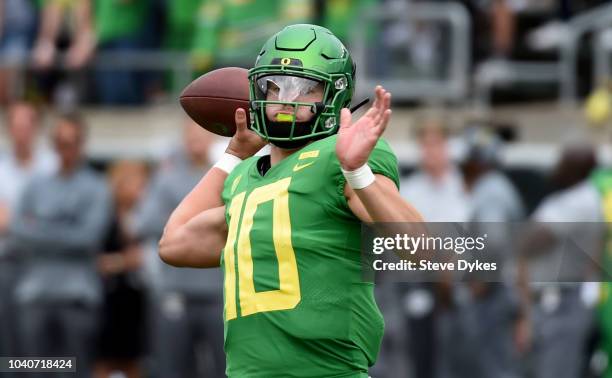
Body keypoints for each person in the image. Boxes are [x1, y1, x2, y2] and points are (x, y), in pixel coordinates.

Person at [159, 24, 423, 377]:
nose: (286, 98)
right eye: (275, 85)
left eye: (304, 88)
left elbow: (424, 249)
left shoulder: (339, 155)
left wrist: (357, 170)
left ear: (335, 96)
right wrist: (232, 157)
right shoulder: (245, 176)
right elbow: (174, 244)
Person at [8, 112, 111, 378]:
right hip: (34, 295)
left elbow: (89, 238)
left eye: (71, 142)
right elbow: (18, 231)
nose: (65, 149)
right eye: (59, 142)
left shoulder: (97, 186)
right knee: (33, 371)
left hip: (77, 297)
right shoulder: (35, 184)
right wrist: (67, 227)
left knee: (73, 370)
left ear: (82, 144)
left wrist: (40, 227)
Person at [133, 120, 225, 378]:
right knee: (171, 368)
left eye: (203, 135)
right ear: (183, 139)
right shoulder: (166, 177)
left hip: (219, 293)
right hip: (175, 292)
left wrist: (181, 221)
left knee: (224, 368)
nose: (197, 141)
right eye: (191, 135)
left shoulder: (227, 175)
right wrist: (203, 222)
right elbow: (143, 222)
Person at [0, 101, 57, 357]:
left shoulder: (53, 166)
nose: (21, 132)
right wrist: (32, 220)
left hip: (46, 265)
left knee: (43, 347)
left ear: (37, 128)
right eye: (16, 126)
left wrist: (13, 220)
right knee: (9, 342)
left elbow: (55, 219)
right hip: (8, 264)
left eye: (26, 125)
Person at [94, 161, 150, 378]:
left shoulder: (144, 217)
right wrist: (122, 261)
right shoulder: (104, 216)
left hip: (136, 297)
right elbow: (99, 259)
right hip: (107, 297)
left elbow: (143, 257)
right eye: (132, 183)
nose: (138, 189)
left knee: (135, 360)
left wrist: (120, 262)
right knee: (103, 359)